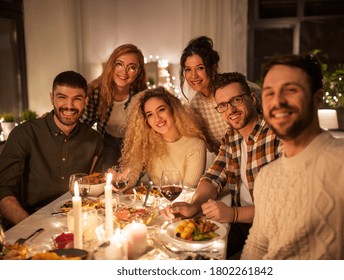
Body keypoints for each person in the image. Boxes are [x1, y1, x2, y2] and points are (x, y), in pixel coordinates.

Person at [241, 54, 344, 260]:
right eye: (269, 93)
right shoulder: (266, 177)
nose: (278, 101)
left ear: (318, 98)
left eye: (291, 90)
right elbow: (257, 245)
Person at [162, 72, 282, 258]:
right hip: (240, 226)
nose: (231, 110)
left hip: (272, 233)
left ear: (252, 99)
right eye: (223, 106)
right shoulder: (231, 136)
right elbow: (213, 176)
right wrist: (194, 205)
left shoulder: (277, 135)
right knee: (183, 254)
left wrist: (233, 214)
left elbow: (283, 206)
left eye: (236, 100)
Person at [0, 71, 103, 228]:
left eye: (77, 99)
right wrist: (31, 226)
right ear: (52, 98)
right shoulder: (24, 134)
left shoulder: (94, 140)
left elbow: (95, 188)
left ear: (86, 101)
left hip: (76, 222)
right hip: (27, 222)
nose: (69, 106)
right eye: (62, 97)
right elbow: (3, 190)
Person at [179, 36, 262, 156]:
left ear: (212, 68)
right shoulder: (195, 107)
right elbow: (213, 148)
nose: (193, 76)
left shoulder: (239, 88)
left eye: (200, 68)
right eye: (188, 70)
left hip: (262, 151)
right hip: (230, 162)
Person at [119, 86, 207, 188]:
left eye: (161, 110)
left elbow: (188, 189)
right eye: (150, 115)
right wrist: (120, 181)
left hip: (184, 202)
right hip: (156, 202)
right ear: (146, 121)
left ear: (173, 109)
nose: (157, 118)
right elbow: (132, 175)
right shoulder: (147, 144)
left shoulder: (195, 145)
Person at [80, 44, 147, 171]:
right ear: (112, 65)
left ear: (138, 72)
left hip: (132, 143)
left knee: (130, 178)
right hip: (107, 140)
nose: (124, 72)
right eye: (119, 64)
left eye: (131, 67)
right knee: (108, 177)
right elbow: (83, 125)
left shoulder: (141, 94)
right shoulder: (96, 92)